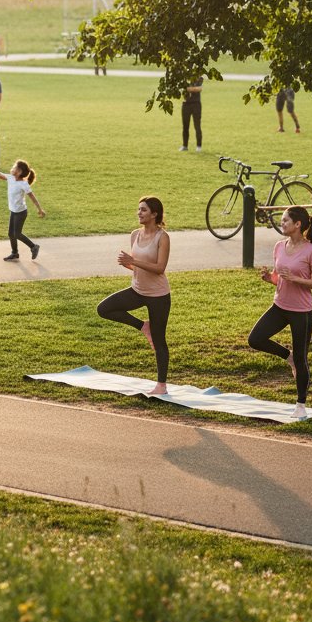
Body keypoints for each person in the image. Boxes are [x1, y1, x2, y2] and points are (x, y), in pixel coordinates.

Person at [248, 206, 312, 418]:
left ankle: (301, 405)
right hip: (280, 307)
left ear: (297, 224)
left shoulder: (311, 251)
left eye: (285, 221)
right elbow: (279, 278)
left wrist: (295, 279)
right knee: (255, 339)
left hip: (302, 312)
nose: (281, 224)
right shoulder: (279, 246)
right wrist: (269, 278)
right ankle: (287, 356)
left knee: (302, 359)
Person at [96, 197, 171, 396]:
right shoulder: (135, 235)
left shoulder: (162, 237)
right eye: (138, 209)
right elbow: (138, 267)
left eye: (143, 210)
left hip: (158, 295)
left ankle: (161, 385)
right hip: (137, 290)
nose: (139, 213)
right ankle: (143, 326)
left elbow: (160, 268)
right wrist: (128, 264)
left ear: (154, 214)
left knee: (159, 341)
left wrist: (133, 262)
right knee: (104, 309)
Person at [0, 158, 44, 260]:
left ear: (19, 172)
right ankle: (14, 253)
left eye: (14, 167)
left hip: (21, 213)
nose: (12, 168)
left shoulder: (24, 184)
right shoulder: (10, 178)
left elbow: (32, 197)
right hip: (13, 211)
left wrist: (40, 209)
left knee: (17, 234)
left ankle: (33, 247)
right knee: (11, 234)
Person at [179, 78, 203, 152]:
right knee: (185, 126)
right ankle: (185, 146)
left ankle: (199, 146)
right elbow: (180, 89)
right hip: (186, 104)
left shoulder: (199, 77)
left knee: (197, 126)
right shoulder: (183, 77)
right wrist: (192, 89)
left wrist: (187, 89)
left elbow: (199, 89)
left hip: (196, 104)